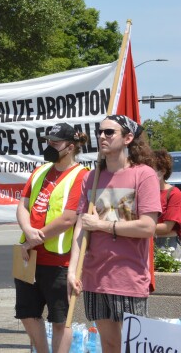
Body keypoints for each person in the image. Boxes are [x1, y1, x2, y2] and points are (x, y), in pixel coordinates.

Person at [67, 115, 160, 353]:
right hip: (95, 278)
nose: (101, 136)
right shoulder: (92, 177)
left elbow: (147, 227)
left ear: (128, 138)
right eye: (100, 132)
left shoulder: (144, 174)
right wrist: (71, 269)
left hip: (128, 277)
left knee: (134, 347)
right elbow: (81, 225)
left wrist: (103, 226)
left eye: (109, 132)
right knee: (108, 345)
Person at [15, 123, 89, 353]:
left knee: (60, 320)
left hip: (59, 259)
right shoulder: (39, 171)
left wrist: (33, 239)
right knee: (27, 314)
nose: (50, 146)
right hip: (29, 257)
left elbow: (68, 219)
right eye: (48, 141)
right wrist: (27, 229)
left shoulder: (81, 175)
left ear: (70, 146)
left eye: (55, 142)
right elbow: (23, 205)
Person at [153, 149, 181, 250]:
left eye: (151, 169)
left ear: (163, 171)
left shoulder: (174, 193)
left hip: (167, 245)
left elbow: (167, 227)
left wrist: (139, 228)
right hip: (146, 242)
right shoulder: (144, 193)